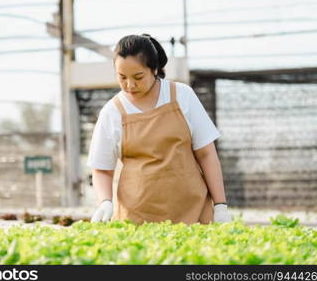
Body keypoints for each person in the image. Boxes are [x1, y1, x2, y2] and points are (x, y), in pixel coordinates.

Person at [87, 34, 231, 225]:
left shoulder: (182, 95)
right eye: (122, 77)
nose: (130, 85)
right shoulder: (112, 112)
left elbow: (206, 154)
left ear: (154, 69)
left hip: (192, 212)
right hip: (137, 219)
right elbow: (102, 169)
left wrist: (220, 205)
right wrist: (105, 201)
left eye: (138, 77)